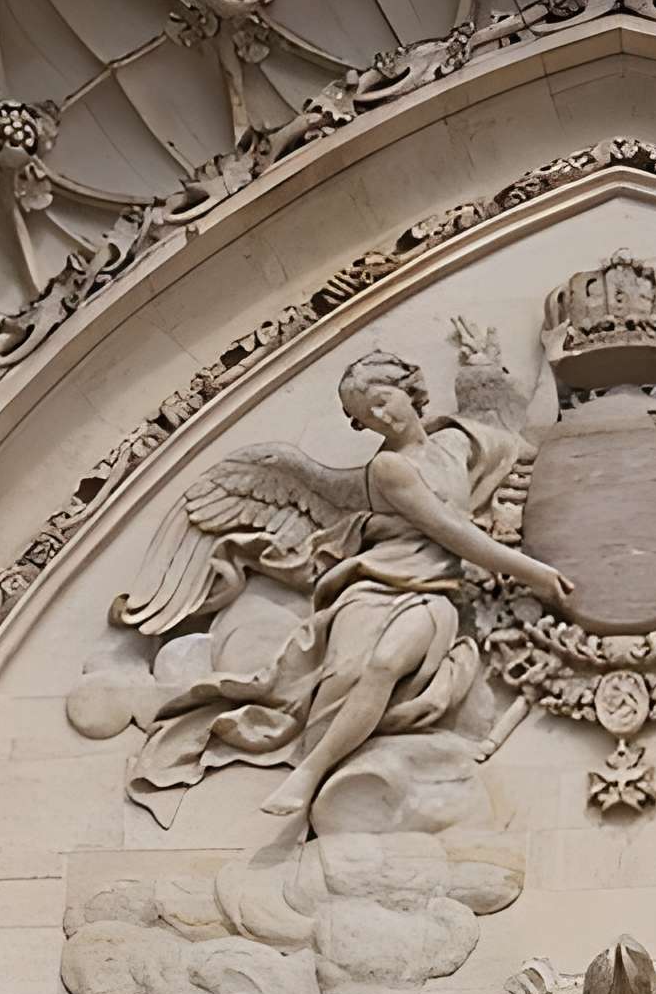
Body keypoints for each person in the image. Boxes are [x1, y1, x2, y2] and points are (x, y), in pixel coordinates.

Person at [129, 351, 568, 820]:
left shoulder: (459, 444)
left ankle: (311, 773)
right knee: (353, 672)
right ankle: (314, 775)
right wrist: (534, 571)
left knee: (387, 662)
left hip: (433, 592)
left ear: (409, 388)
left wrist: (553, 363)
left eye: (382, 400)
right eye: (366, 416)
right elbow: (451, 531)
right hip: (379, 587)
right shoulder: (389, 470)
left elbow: (531, 439)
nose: (380, 417)